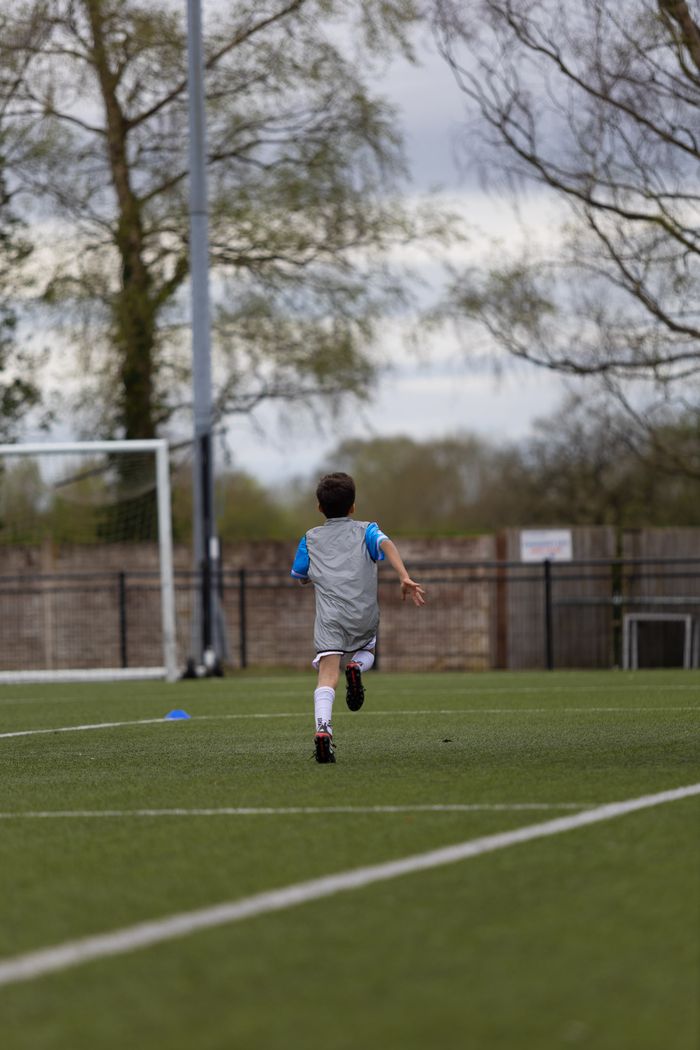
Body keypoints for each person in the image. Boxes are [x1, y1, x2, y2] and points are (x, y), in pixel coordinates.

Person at [290, 471, 425, 763]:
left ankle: (323, 730)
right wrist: (404, 576)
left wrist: (314, 576)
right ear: (353, 506)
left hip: (329, 620)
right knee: (367, 650)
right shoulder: (366, 530)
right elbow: (386, 544)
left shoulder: (309, 538)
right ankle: (357, 667)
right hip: (363, 615)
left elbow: (300, 575)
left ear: (319, 507)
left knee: (326, 675)